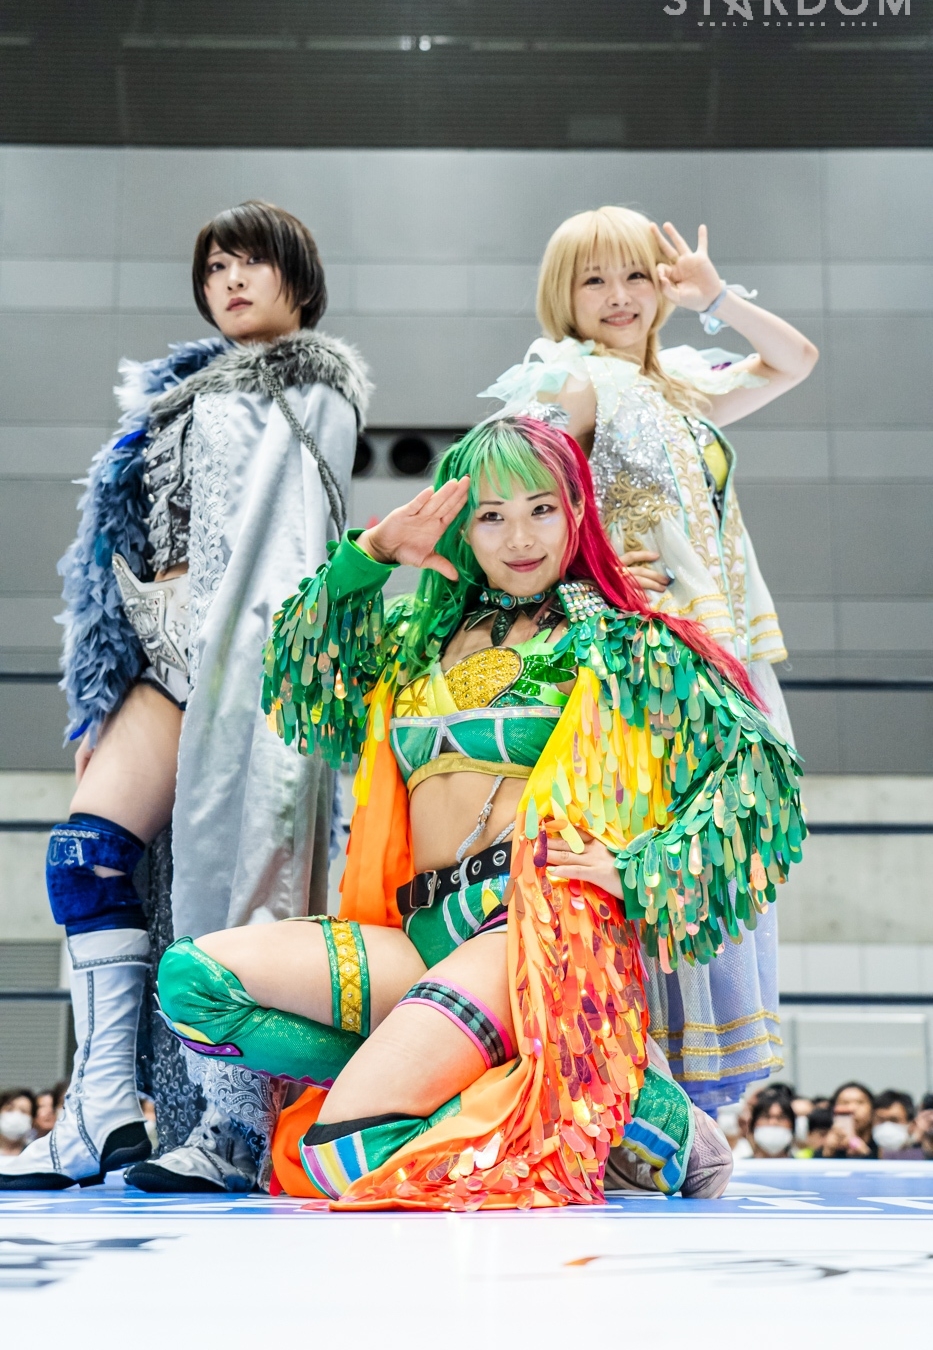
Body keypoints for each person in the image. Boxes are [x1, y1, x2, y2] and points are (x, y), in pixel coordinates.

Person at [154, 414, 804, 1209]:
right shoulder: (414, 638)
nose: (518, 537)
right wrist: (372, 554)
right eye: (490, 515)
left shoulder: (624, 640)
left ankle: (629, 1108)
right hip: (418, 932)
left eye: (541, 509)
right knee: (194, 983)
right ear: (461, 527)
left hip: (525, 933)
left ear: (577, 511)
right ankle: (592, 1089)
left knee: (340, 1155)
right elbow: (298, 671)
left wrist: (637, 870)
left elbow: (759, 772)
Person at [0, 201, 369, 1195]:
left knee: (240, 875)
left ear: (298, 277)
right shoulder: (175, 396)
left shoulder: (309, 389)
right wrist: (103, 693)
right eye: (214, 267)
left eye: (252, 262)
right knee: (85, 858)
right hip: (158, 663)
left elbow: (281, 550)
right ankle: (100, 1107)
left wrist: (245, 675)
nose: (231, 280)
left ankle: (234, 1122)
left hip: (248, 664)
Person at [480, 206, 818, 1113]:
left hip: (717, 656)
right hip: (650, 665)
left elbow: (794, 359)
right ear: (562, 294)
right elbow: (501, 492)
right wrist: (588, 567)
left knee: (714, 857)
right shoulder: (572, 381)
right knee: (655, 859)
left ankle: (683, 1113)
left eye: (635, 274)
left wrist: (716, 298)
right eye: (593, 279)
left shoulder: (677, 384)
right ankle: (637, 1100)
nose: (619, 296)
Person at [816, 1082, 878, 1159]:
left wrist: (865, 1153)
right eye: (845, 1103)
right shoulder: (825, 1148)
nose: (852, 1109)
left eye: (860, 1102)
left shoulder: (882, 1148)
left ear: (872, 1109)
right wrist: (827, 1152)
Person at [872, 1089, 920, 1159]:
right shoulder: (863, 1160)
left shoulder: (923, 1161)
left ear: (912, 1125)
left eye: (894, 1120)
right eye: (881, 1120)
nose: (886, 1126)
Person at [747, 1091, 795, 1158]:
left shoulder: (804, 1164)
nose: (773, 1123)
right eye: (766, 1116)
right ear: (753, 1124)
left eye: (781, 1117)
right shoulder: (738, 1164)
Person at [0, 1090, 37, 1166]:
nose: (16, 1115)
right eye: (9, 1109)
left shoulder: (35, 1156)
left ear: (32, 1121)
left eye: (23, 1111)